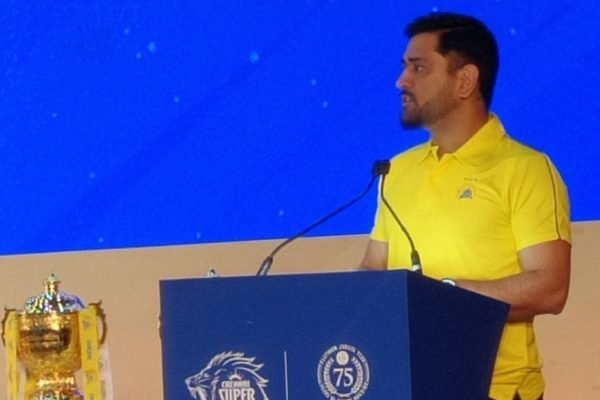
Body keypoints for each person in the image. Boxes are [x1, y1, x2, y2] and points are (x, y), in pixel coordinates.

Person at [359, 12, 571, 400]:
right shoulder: (397, 170)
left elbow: (549, 288)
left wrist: (446, 295)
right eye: (404, 67)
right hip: (406, 385)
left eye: (418, 67)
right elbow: (373, 272)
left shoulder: (524, 169)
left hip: (495, 389)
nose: (401, 81)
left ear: (465, 81)